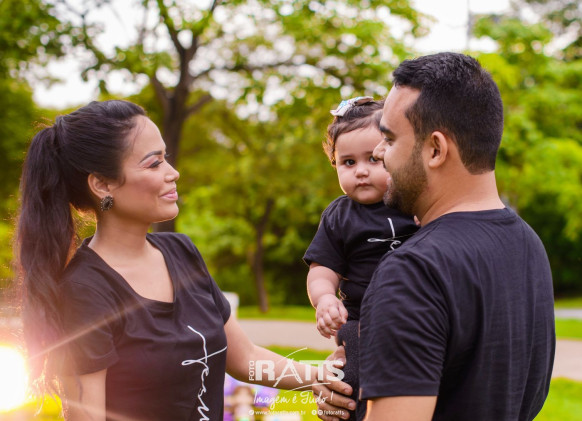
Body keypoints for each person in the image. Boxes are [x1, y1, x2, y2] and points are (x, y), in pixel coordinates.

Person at [15, 100, 349, 420]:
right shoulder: (85, 290)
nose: (173, 173)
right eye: (153, 163)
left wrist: (321, 377)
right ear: (102, 184)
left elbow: (244, 358)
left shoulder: (181, 251)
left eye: (167, 158)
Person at [313, 52, 555, 421]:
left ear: (436, 150)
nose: (378, 152)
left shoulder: (412, 271)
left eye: (389, 139)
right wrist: (366, 365)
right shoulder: (527, 245)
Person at [304, 97, 418, 420]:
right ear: (335, 165)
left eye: (373, 159)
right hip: (360, 323)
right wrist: (325, 299)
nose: (362, 172)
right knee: (351, 382)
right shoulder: (340, 216)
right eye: (349, 162)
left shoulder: (412, 202)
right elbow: (322, 269)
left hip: (414, 313)